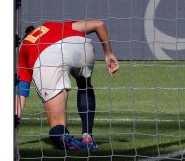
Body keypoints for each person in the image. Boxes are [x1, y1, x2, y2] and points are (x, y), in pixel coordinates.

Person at [15, 20, 119, 151]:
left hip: (48, 57)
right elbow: (100, 25)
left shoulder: (24, 47)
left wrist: (14, 123)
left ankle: (68, 140)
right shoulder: (50, 25)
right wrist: (108, 53)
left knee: (58, 127)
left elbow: (20, 94)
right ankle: (87, 136)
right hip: (80, 47)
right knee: (85, 85)